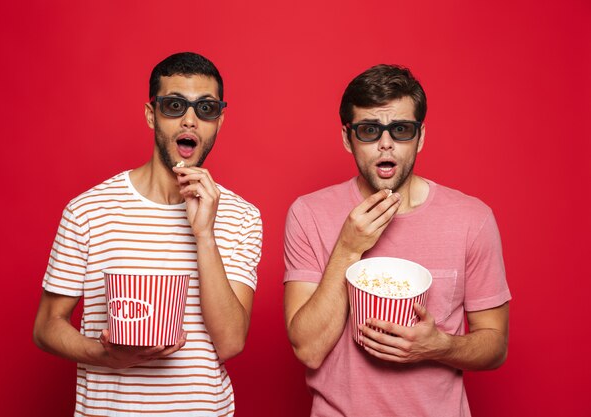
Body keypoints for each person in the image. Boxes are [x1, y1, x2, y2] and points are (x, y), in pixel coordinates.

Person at [33, 52, 262, 416]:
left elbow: (231, 342)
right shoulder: (88, 210)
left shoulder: (241, 216)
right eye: (174, 105)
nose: (190, 120)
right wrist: (106, 356)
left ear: (219, 119)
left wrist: (204, 234)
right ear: (150, 114)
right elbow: (46, 326)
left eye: (205, 109)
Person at [283, 64, 510, 417]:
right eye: (370, 130)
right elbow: (309, 350)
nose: (386, 144)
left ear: (420, 136)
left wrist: (439, 346)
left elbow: (495, 345)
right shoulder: (309, 213)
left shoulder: (472, 219)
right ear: (347, 138)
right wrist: (348, 248)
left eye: (401, 130)